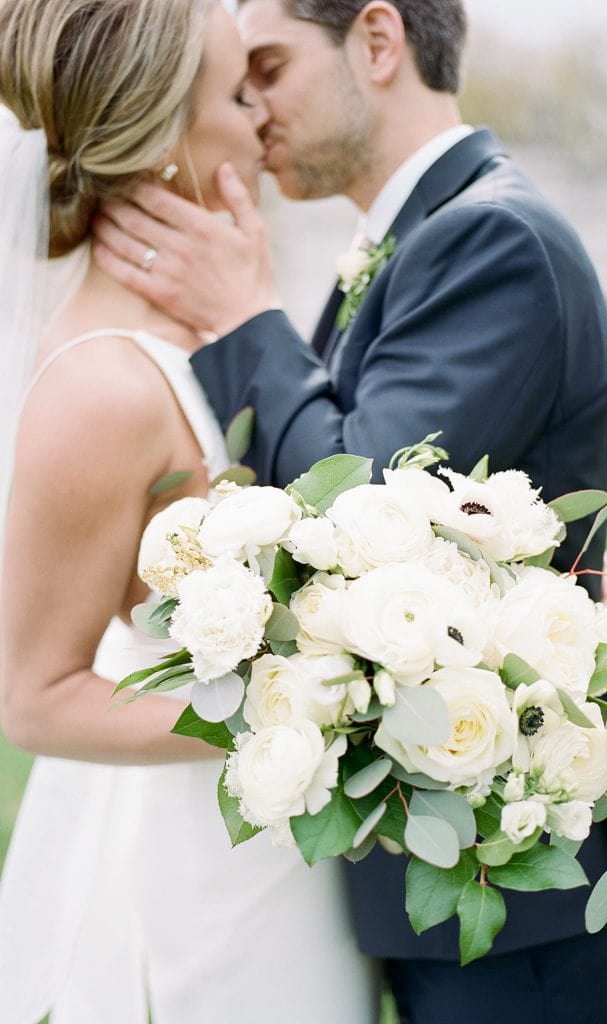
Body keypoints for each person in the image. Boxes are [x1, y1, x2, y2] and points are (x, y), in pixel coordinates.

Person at [93, 1, 607, 1021]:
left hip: (519, 885)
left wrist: (241, 317)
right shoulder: (418, 234)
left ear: (374, 40)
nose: (249, 105)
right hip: (444, 847)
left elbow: (356, 510)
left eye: (267, 67)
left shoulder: (490, 237)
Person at [0, 2, 379, 1023]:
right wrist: (309, 715)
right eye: (235, 90)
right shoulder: (102, 389)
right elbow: (33, 696)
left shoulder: (212, 330)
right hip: (202, 873)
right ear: (167, 137)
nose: (263, 115)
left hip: (279, 848)